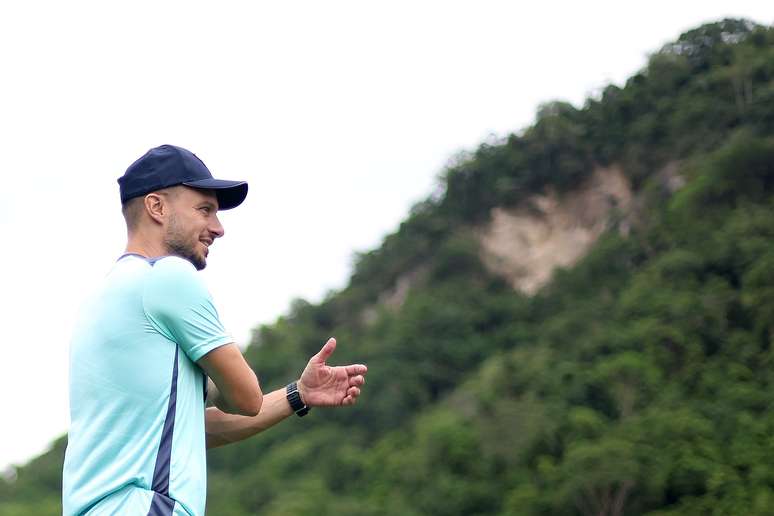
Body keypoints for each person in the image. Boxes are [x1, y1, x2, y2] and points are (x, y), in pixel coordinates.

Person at [62, 144, 368, 516]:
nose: (218, 228)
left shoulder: (102, 301)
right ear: (156, 207)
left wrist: (297, 394)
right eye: (204, 210)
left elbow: (189, 432)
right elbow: (246, 398)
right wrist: (220, 383)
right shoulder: (169, 278)